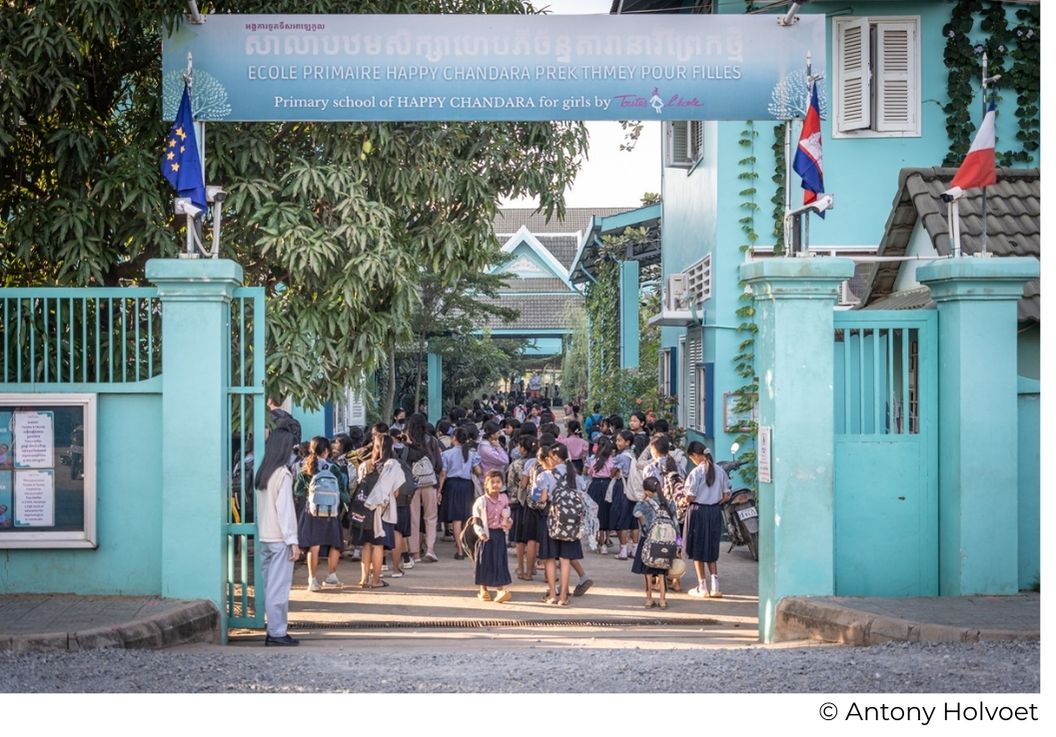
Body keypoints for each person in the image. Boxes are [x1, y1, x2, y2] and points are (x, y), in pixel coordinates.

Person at [255, 427, 302, 645]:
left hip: (265, 536)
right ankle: (277, 632)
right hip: (280, 538)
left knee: (269, 586)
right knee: (279, 588)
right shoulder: (283, 474)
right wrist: (292, 541)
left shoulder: (264, 472)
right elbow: (285, 511)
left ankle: (274, 628)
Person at [351, 433, 405, 589]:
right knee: (378, 545)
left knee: (366, 545)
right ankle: (376, 580)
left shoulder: (364, 465)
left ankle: (363, 579)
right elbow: (396, 492)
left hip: (364, 510)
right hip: (383, 511)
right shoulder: (393, 465)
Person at [295, 436, 348, 591]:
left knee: (314, 545)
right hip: (331, 511)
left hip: (312, 511)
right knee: (335, 543)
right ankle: (331, 576)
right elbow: (343, 491)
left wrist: (310, 493)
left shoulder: (306, 469)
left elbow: (297, 490)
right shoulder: (334, 469)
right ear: (326, 451)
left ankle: (312, 580)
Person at [684, 441, 731, 598]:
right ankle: (715, 585)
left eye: (692, 458)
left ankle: (702, 586)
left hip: (698, 511)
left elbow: (690, 496)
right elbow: (726, 495)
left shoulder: (696, 473)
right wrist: (716, 501)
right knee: (711, 547)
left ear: (696, 456)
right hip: (714, 512)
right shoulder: (720, 471)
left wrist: (684, 500)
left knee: (698, 548)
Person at [632, 476, 678, 609]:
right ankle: (663, 600)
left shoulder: (644, 503)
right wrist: (678, 543)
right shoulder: (669, 503)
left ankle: (649, 599)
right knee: (663, 571)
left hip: (647, 540)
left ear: (646, 491)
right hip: (666, 543)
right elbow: (675, 524)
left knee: (648, 572)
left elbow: (636, 513)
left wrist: (642, 500)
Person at [438, 426, 482, 559]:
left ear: (454, 439)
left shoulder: (446, 454)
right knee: (465, 518)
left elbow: (443, 474)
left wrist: (439, 491)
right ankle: (466, 546)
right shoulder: (472, 454)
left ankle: (460, 550)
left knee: (456, 519)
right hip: (467, 486)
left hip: (452, 485)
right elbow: (478, 471)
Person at [403, 413, 442, 564]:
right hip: (429, 482)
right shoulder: (432, 441)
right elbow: (439, 464)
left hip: (411, 484)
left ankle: (415, 553)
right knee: (431, 517)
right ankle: (430, 549)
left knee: (413, 517)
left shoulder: (406, 441)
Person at [471, 470, 514, 603]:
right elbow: (476, 520)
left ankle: (500, 589)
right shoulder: (481, 501)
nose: (496, 485)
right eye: (492, 482)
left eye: (498, 482)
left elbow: (507, 514)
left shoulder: (504, 499)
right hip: (485, 536)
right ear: (486, 484)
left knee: (499, 561)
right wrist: (480, 533)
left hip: (499, 534)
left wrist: (509, 523)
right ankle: (483, 589)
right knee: (485, 562)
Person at [507, 435, 537, 580]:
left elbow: (511, 485)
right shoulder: (539, 463)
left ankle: (520, 568)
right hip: (535, 504)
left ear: (523, 448)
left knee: (520, 539)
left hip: (519, 503)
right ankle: (532, 567)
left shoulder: (516, 464)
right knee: (533, 537)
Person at [609, 429, 640, 559]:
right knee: (634, 521)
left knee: (621, 519)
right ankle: (635, 549)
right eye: (617, 440)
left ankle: (623, 550)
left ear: (627, 442)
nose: (617, 442)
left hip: (622, 488)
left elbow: (612, 473)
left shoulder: (620, 457)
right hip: (633, 488)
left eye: (620, 440)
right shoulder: (634, 454)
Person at [585, 435, 616, 554]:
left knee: (596, 513)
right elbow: (613, 474)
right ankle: (606, 540)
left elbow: (588, 473)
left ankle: (600, 540)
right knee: (606, 512)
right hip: (608, 486)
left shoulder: (593, 460)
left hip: (595, 486)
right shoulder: (612, 460)